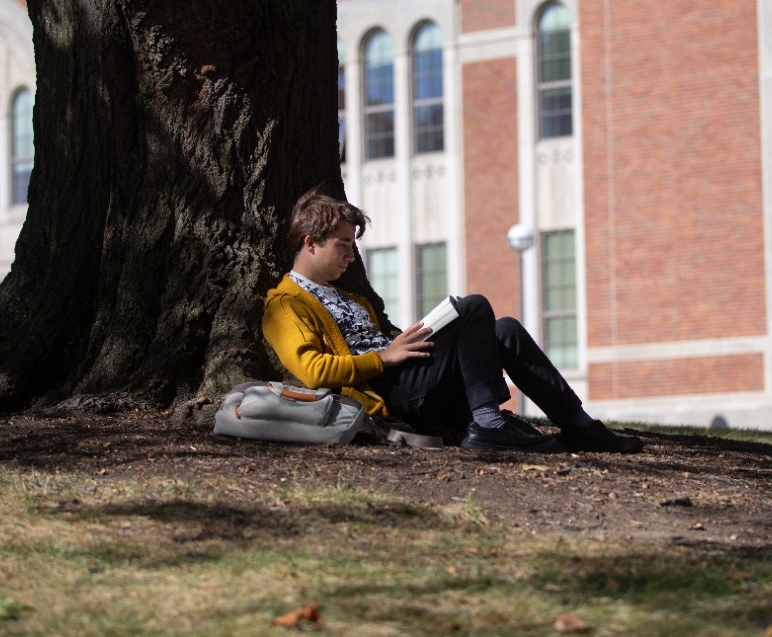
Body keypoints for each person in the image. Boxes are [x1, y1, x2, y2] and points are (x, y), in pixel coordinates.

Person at [262, 189, 642, 454]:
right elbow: (313, 370)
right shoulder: (285, 304)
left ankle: (578, 425)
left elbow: (387, 344)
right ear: (311, 243)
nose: (350, 254)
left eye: (352, 244)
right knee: (473, 307)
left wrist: (412, 339)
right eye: (342, 244)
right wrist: (385, 358)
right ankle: (488, 423)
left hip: (412, 377)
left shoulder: (351, 298)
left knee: (504, 329)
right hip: (391, 393)